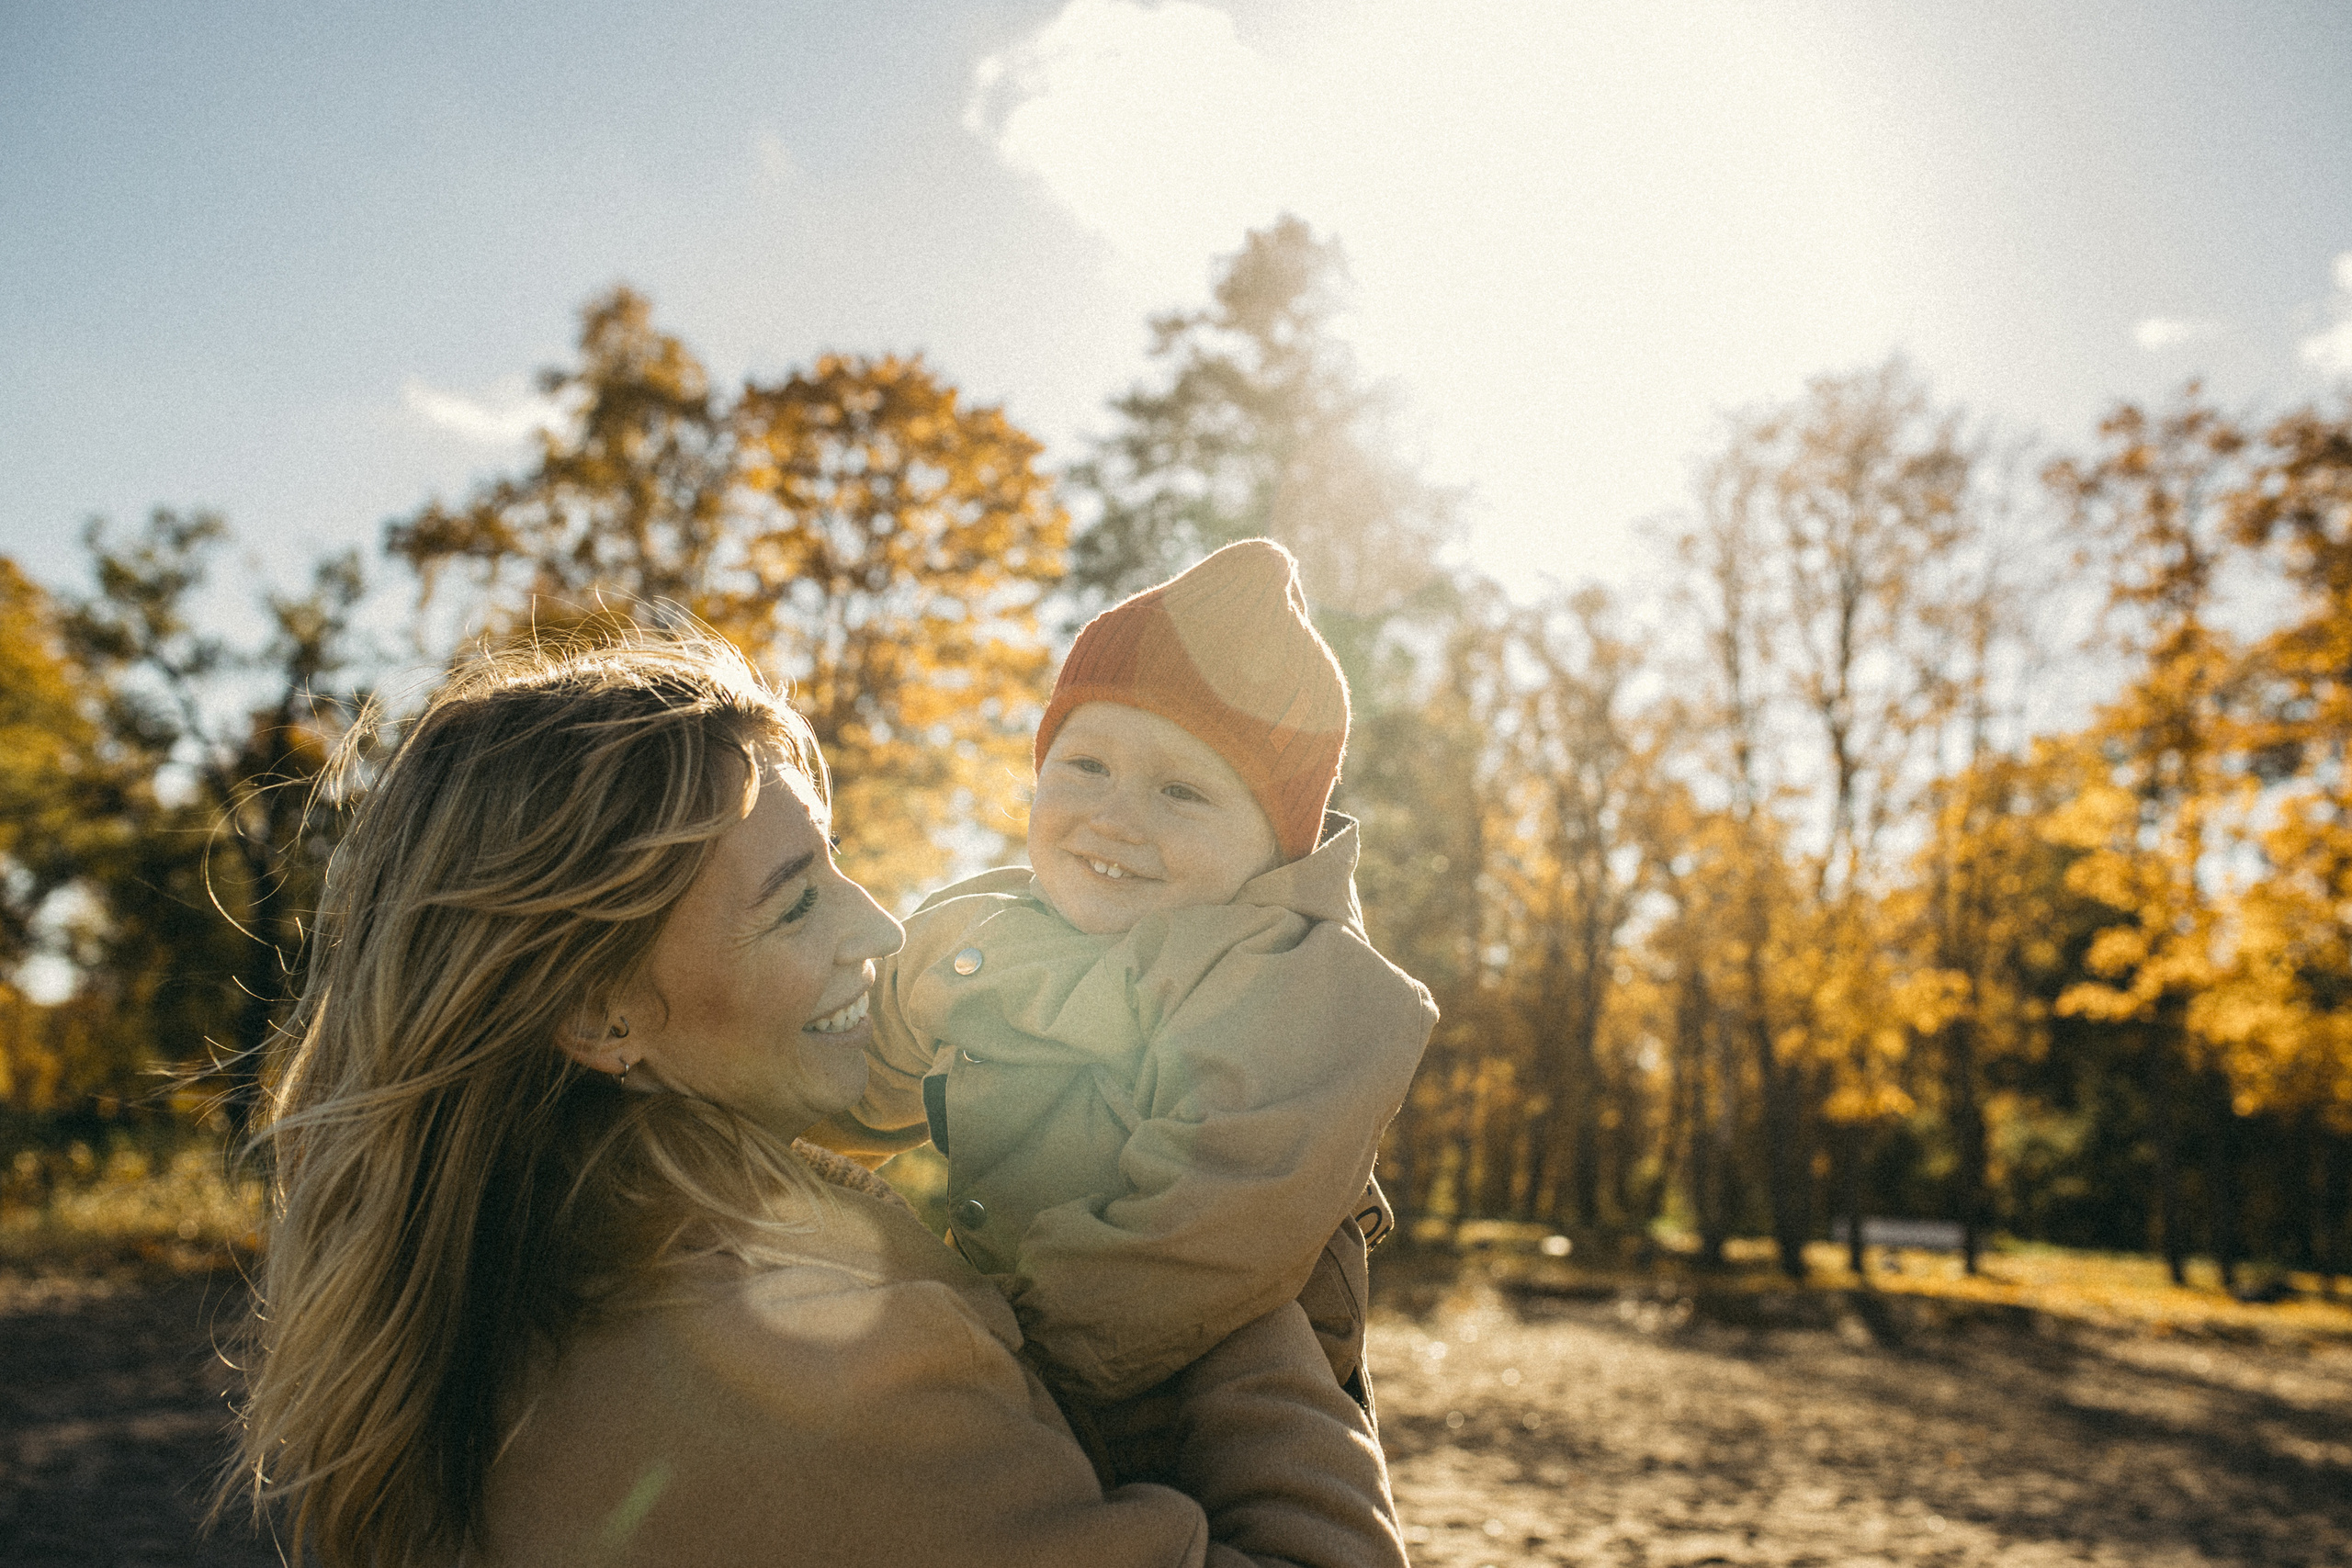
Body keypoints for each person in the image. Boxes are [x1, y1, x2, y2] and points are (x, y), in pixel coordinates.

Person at [219, 629, 1405, 1568]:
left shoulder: (519, 1270)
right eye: (794, 901)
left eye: (836, 860)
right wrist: (1252, 1257)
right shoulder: (787, 1373)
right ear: (601, 1013)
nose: (881, 926)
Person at [811, 541, 1438, 1486]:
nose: (1114, 817)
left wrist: (993, 1366)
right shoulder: (972, 933)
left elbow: (1201, 1237)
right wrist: (732, 1169)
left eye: (1180, 791)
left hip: (1210, 1401)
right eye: (1086, 765)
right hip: (1013, 1355)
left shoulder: (1296, 983)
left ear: (1276, 845)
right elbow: (842, 1095)